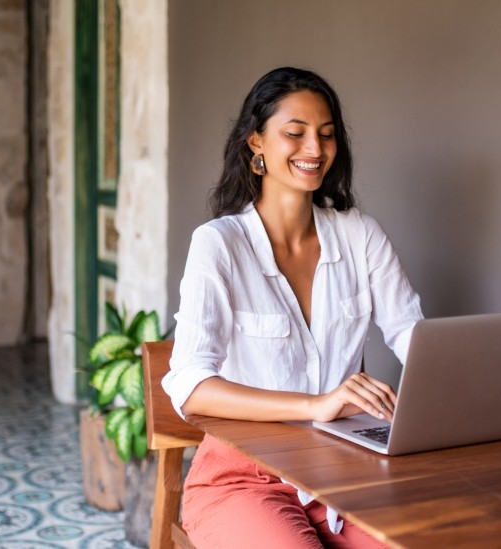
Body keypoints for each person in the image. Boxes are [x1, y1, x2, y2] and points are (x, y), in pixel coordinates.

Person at [162, 67, 423, 549]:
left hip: (345, 473)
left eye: (326, 135)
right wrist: (318, 405)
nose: (314, 149)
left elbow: (415, 336)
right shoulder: (219, 245)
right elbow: (191, 386)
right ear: (256, 142)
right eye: (295, 133)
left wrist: (461, 402)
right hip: (243, 479)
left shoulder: (360, 235)